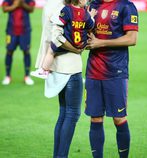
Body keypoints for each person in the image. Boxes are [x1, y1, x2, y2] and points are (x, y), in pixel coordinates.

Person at [33, 0, 96, 157]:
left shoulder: (52, 5)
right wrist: (76, 48)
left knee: (64, 113)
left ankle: (58, 155)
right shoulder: (63, 8)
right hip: (69, 66)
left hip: (56, 64)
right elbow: (57, 37)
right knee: (72, 114)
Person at [85, 0, 139, 158]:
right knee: (95, 118)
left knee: (119, 118)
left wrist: (101, 42)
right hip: (93, 71)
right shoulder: (92, 5)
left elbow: (131, 39)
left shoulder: (126, 6)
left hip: (116, 71)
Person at [31, 0, 97, 79]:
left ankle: (44, 70)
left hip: (69, 41)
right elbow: (91, 25)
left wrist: (52, 18)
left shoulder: (67, 9)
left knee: (51, 50)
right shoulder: (85, 14)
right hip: (81, 44)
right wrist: (92, 17)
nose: (87, 1)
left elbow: (60, 22)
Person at [1, 0, 35, 85]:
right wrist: (15, 6)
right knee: (9, 51)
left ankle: (27, 76)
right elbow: (4, 9)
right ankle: (7, 75)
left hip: (25, 31)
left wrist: (22, 3)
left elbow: (31, 9)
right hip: (11, 31)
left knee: (26, 51)